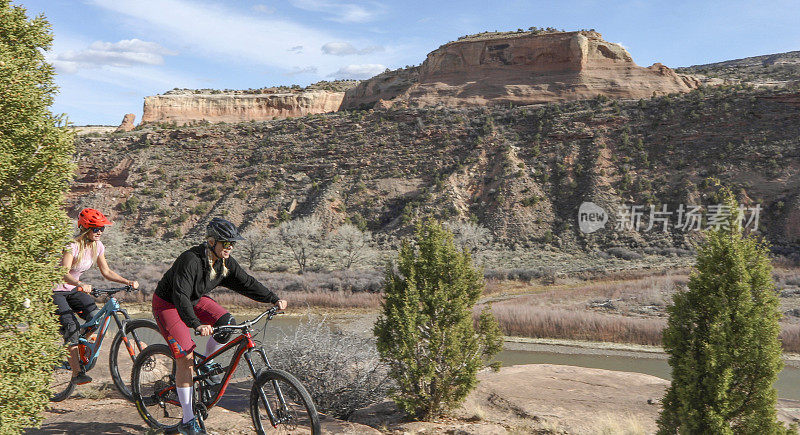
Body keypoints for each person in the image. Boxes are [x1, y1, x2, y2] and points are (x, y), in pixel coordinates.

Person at [152, 217, 286, 435]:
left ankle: (206, 362)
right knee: (185, 357)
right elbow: (181, 296)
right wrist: (196, 324)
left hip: (194, 300)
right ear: (212, 241)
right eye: (226, 243)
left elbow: (246, 283)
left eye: (232, 243)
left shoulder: (225, 262)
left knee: (228, 324)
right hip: (169, 304)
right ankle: (188, 420)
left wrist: (273, 298)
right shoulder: (191, 260)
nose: (230, 247)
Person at [53, 208, 140, 385]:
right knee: (71, 327)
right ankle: (77, 373)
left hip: (74, 290)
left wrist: (127, 281)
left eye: (102, 228)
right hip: (56, 291)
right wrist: (79, 284)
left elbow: (106, 271)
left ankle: (77, 342)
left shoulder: (98, 246)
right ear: (85, 228)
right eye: (95, 229)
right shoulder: (72, 246)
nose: (99, 232)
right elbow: (63, 273)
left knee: (95, 317)